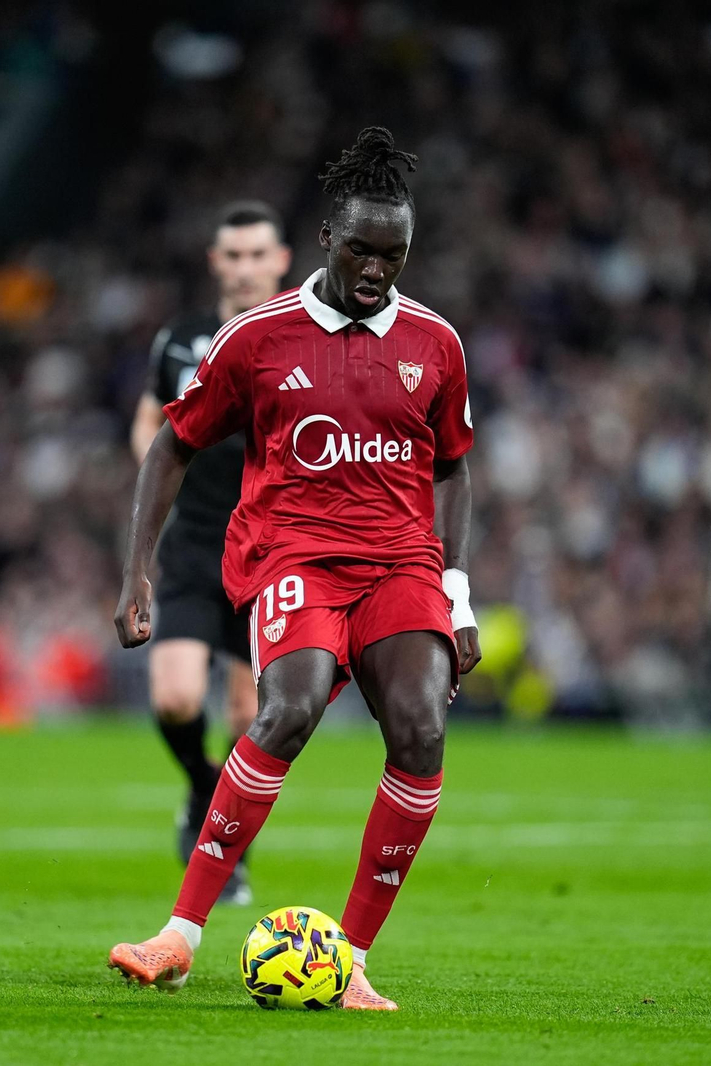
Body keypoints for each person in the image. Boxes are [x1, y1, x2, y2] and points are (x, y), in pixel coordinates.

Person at [107, 127, 481, 1011]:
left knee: (423, 729)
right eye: (361, 249)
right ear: (324, 240)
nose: (378, 270)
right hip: (293, 556)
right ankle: (179, 935)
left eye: (395, 255)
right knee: (290, 707)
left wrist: (457, 591)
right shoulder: (256, 338)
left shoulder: (436, 343)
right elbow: (171, 443)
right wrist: (137, 574)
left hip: (400, 563)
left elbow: (455, 464)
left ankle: (348, 961)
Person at [129, 201, 291, 904]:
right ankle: (202, 791)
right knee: (174, 695)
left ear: (282, 260)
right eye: (235, 254)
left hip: (272, 546)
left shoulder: (301, 335)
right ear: (215, 262)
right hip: (196, 539)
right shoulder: (182, 339)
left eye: (260, 254)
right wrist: (158, 476)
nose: (247, 266)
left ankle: (229, 846)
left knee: (250, 715)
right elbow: (149, 420)